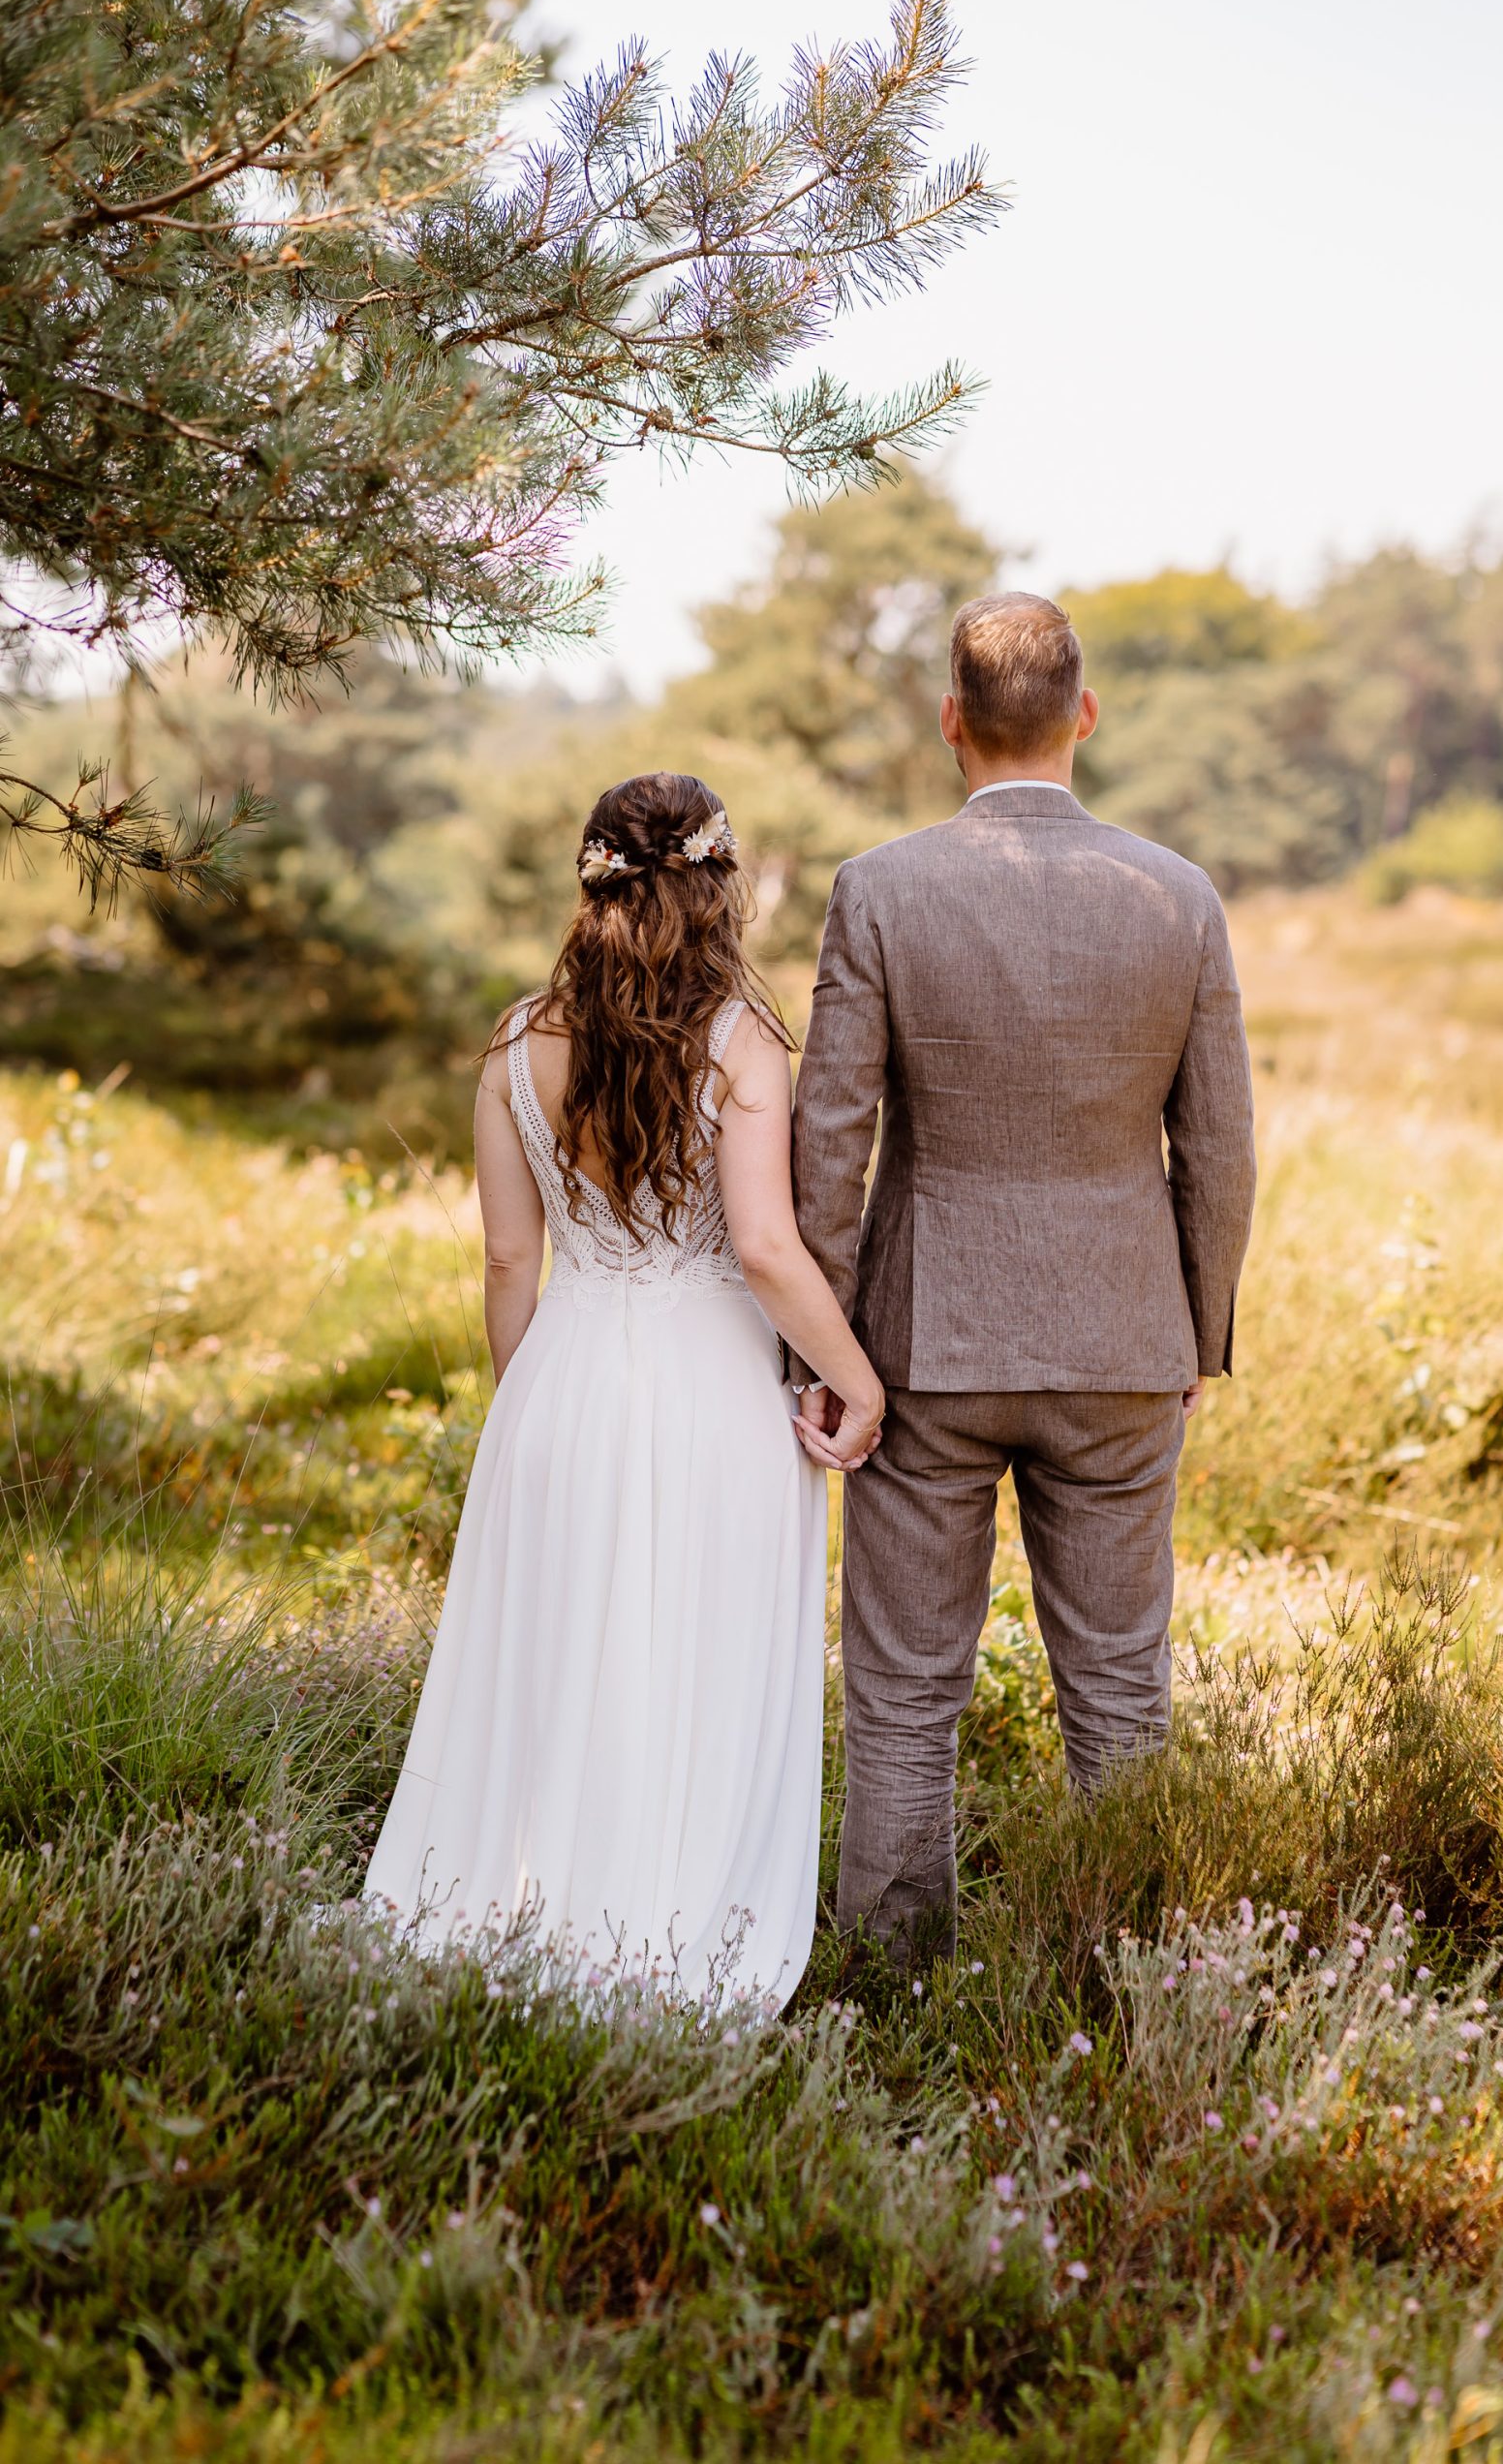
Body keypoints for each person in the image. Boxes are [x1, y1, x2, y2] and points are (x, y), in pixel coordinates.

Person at [363, 771, 883, 2008]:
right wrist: (855, 1379)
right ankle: (664, 1932)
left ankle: (520, 1912)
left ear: (591, 882)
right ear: (716, 887)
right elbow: (764, 1248)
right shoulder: (743, 1040)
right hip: (711, 1392)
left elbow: (506, 1258)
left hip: (564, 1377)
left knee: (554, 1657)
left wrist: (533, 1399)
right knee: (695, 1659)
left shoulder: (513, 1039)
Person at [791, 591, 1257, 1963]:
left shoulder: (875, 890)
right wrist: (1196, 1331)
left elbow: (830, 1134)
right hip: (1123, 1339)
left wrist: (821, 1350)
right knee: (1119, 1693)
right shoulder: (1180, 896)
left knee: (900, 1692)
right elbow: (1218, 1144)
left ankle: (889, 1978)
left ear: (951, 724)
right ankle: (1125, 1974)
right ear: (1083, 717)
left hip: (918, 1351)